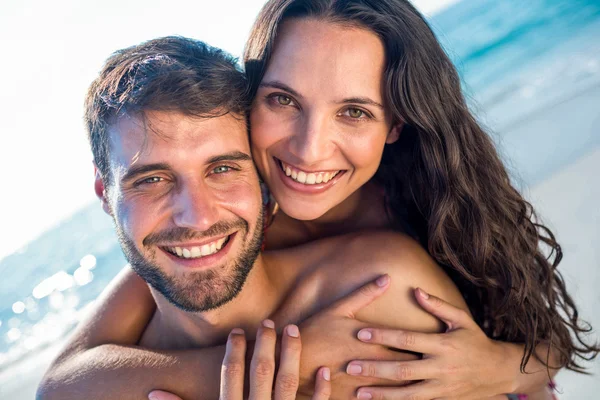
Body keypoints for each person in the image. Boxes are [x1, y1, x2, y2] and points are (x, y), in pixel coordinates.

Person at [42, 0, 600, 398]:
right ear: (248, 103)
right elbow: (62, 382)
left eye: (354, 111)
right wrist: (286, 359)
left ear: (396, 123)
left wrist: (501, 368)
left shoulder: (436, 210)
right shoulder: (212, 230)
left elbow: (540, 340)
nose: (309, 150)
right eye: (283, 99)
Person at [37, 36, 471, 400]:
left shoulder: (380, 290)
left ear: (262, 179)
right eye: (151, 179)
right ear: (104, 193)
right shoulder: (107, 385)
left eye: (223, 169)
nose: (197, 217)